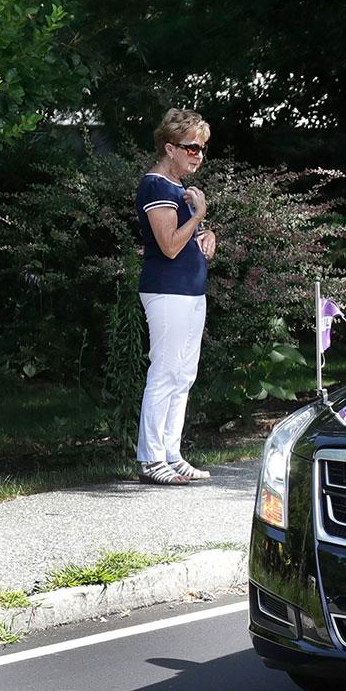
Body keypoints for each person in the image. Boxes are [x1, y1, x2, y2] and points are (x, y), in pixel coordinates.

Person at [133, 108, 217, 485]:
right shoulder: (156, 186)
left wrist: (206, 234)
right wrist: (197, 216)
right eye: (192, 148)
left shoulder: (176, 190)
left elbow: (182, 240)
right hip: (167, 291)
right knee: (165, 372)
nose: (198, 154)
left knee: (183, 374)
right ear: (170, 148)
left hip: (188, 292)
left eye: (201, 148)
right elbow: (167, 246)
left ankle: (171, 453)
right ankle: (151, 459)